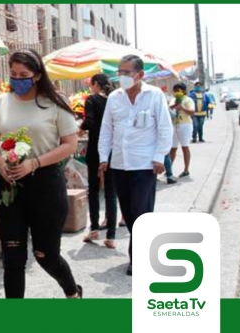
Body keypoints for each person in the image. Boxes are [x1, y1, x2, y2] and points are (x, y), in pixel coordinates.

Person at [0, 49, 82, 298]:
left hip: (45, 185)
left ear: (37, 75)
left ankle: (72, 292)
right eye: (13, 74)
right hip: (9, 187)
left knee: (46, 255)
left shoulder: (55, 103)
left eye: (24, 75)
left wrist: (35, 163)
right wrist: (0, 164)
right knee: (13, 257)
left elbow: (70, 144)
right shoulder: (2, 103)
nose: (17, 80)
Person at [98, 55, 173, 276]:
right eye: (119, 72)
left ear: (140, 75)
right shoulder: (114, 98)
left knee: (141, 212)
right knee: (129, 214)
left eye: (127, 73)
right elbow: (106, 129)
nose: (122, 76)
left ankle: (137, 259)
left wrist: (160, 156)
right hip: (120, 164)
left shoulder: (154, 96)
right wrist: (104, 157)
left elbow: (165, 128)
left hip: (145, 164)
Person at [79, 74, 118, 249]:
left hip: (95, 149)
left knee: (93, 189)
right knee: (110, 191)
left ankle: (94, 228)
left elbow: (89, 121)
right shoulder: (115, 99)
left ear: (95, 84)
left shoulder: (92, 100)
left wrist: (80, 127)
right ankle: (111, 235)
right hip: (113, 149)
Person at [169, 82, 196, 179]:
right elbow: (169, 110)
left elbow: (192, 112)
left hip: (185, 125)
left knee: (185, 147)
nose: (176, 92)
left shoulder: (188, 100)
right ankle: (169, 170)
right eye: (175, 90)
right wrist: (172, 107)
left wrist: (182, 108)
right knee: (172, 148)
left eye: (178, 90)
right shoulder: (172, 100)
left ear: (183, 91)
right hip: (174, 125)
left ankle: (186, 170)